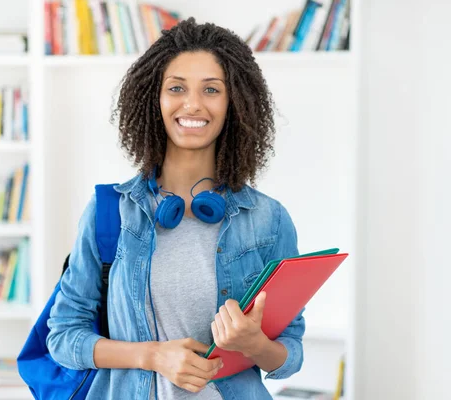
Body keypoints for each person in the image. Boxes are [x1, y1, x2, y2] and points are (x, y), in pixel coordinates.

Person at [47, 17, 304, 400]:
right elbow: (64, 336)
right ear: (155, 99)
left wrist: (254, 344)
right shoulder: (111, 212)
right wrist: (151, 356)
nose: (193, 104)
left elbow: (290, 352)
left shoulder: (268, 219)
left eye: (212, 90)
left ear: (235, 102)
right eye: (177, 88)